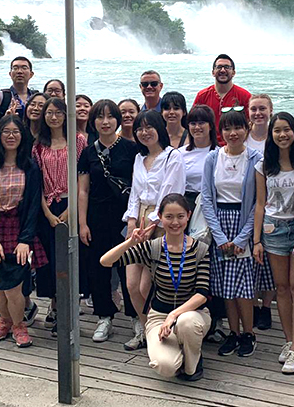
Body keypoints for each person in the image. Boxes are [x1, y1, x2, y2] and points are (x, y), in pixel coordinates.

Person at [101, 194, 212, 381]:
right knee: (165, 367)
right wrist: (130, 242)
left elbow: (202, 294)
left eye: (180, 216)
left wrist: (173, 315)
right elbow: (106, 261)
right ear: (160, 217)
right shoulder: (153, 247)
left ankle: (192, 361)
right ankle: (178, 351)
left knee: (186, 323)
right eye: (169, 217)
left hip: (193, 314)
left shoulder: (200, 249)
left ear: (188, 216)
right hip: (159, 316)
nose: (175, 222)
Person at [0, 116, 49, 348]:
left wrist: (25, 240)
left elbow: (34, 205)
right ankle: (4, 320)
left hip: (19, 229)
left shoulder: (30, 167)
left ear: (22, 136)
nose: (10, 136)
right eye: (5, 131)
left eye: (15, 132)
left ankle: (19, 325)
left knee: (15, 287)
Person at [201, 110, 263, 358]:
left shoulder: (256, 158)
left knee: (243, 286)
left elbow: (259, 201)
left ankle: (249, 333)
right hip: (219, 225)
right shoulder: (213, 158)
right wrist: (219, 236)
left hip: (245, 224)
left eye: (238, 127)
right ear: (221, 131)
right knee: (226, 285)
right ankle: (233, 332)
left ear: (247, 129)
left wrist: (241, 238)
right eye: (227, 128)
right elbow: (206, 197)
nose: (233, 133)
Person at [123, 110, 186, 350]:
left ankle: (162, 334)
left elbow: (171, 192)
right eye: (139, 128)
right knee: (131, 285)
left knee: (147, 286)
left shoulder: (173, 157)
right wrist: (131, 221)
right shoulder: (140, 158)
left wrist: (152, 223)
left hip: (163, 222)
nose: (144, 132)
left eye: (149, 127)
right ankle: (147, 330)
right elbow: (135, 193)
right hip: (138, 220)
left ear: (160, 128)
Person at [77, 100, 138, 343]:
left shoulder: (131, 149)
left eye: (110, 117)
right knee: (98, 269)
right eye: (100, 117)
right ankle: (104, 317)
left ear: (118, 120)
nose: (105, 122)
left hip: (125, 218)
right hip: (96, 217)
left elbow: (139, 187)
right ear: (93, 122)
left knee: (128, 268)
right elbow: (83, 190)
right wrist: (82, 223)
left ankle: (136, 317)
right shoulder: (88, 152)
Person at [253, 112, 294, 374]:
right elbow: (260, 204)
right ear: (271, 135)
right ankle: (288, 341)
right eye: (277, 131)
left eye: (287, 130)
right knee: (282, 288)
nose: (282, 135)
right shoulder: (264, 166)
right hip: (273, 230)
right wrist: (256, 240)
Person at [32, 97, 88, 333]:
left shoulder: (78, 141)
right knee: (51, 259)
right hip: (47, 208)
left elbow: (82, 179)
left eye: (58, 112)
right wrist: (46, 212)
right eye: (49, 113)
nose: (53, 117)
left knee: (71, 257)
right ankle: (55, 305)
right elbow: (37, 182)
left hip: (71, 204)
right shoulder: (38, 145)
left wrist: (69, 210)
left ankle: (71, 306)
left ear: (66, 116)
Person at [181, 104, 228, 343]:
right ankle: (191, 317)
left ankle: (217, 320)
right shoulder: (180, 153)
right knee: (190, 265)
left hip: (211, 211)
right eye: (193, 122)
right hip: (185, 211)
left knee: (212, 267)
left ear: (211, 126)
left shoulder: (220, 152)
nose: (197, 127)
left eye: (202, 122)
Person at [246, 93, 275, 330]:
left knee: (271, 259)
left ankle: (266, 306)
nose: (258, 113)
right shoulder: (243, 138)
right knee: (252, 258)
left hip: (274, 205)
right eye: (254, 109)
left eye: (262, 109)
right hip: (249, 205)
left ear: (270, 111)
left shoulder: (276, 137)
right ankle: (253, 305)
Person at [192, 54, 252, 145]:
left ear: (233, 72)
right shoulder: (202, 96)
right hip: (208, 146)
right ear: (213, 72)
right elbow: (192, 122)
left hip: (236, 145)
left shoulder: (244, 96)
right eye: (219, 67)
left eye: (227, 67)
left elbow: (251, 124)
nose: (223, 70)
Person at [0, 56, 37, 124]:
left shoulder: (36, 98)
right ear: (10, 74)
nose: (19, 71)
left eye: (24, 68)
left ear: (31, 74)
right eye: (15, 68)